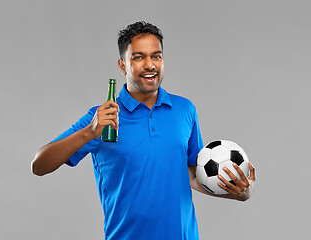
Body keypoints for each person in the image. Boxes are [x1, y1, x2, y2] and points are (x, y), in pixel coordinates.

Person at [32, 21, 256, 240]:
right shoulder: (101, 118)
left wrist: (239, 194)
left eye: (156, 56)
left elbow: (193, 175)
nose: (150, 65)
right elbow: (39, 165)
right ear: (122, 65)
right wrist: (89, 133)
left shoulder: (185, 109)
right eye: (138, 57)